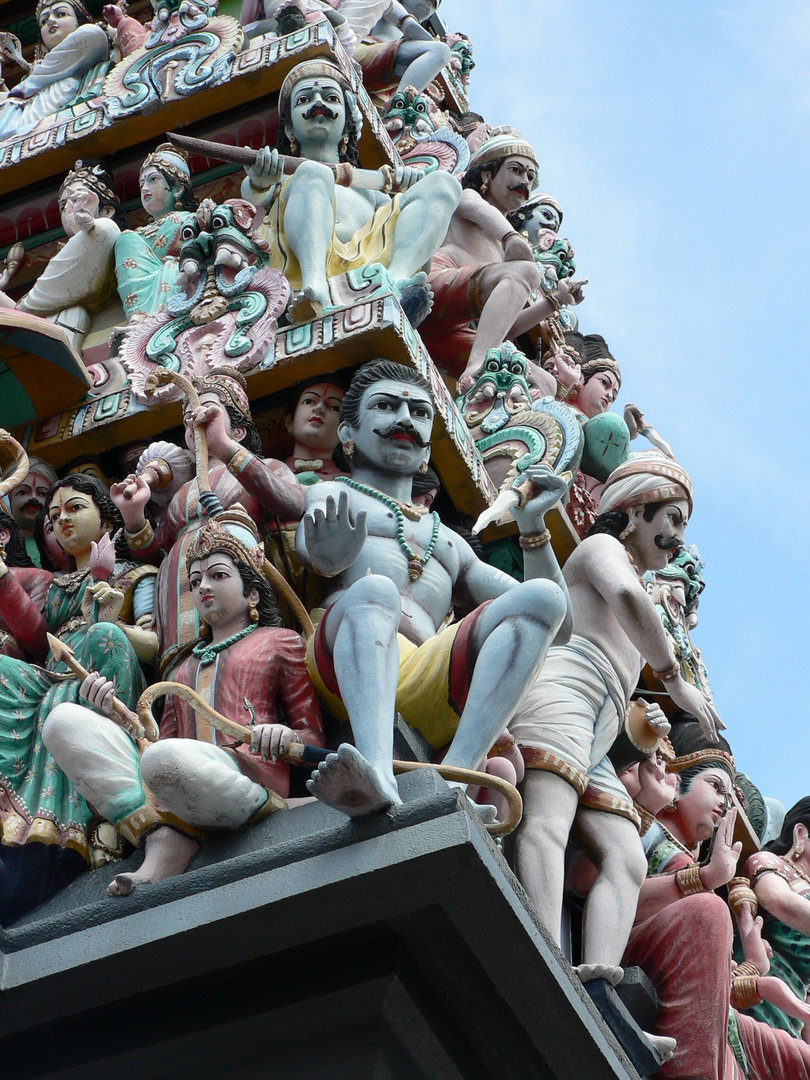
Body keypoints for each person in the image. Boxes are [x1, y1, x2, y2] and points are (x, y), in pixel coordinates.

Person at [296, 359, 572, 821]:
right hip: (345, 658)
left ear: (427, 452)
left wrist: (532, 526)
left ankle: (455, 782)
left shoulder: (450, 542)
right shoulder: (330, 495)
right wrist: (328, 554)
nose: (405, 419)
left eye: (420, 412)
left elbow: (559, 626)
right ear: (349, 435)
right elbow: (314, 553)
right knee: (376, 589)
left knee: (543, 597)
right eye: (386, 406)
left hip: (426, 674)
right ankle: (375, 771)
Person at [510, 451, 721, 984]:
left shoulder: (640, 584)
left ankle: (597, 979)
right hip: (567, 690)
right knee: (549, 822)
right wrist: (675, 680)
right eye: (671, 518)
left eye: (681, 525)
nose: (676, 536)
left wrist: (641, 717)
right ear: (633, 512)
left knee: (626, 855)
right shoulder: (602, 549)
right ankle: (542, 960)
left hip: (601, 725)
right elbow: (624, 597)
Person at [43, 515, 324, 896]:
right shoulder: (179, 669)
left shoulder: (279, 641)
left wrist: (282, 734)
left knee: (165, 762)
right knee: (63, 723)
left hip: (241, 780)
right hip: (175, 787)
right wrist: (113, 712)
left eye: (218, 575)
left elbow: (312, 740)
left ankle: (261, 811)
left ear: (252, 593)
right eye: (195, 582)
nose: (203, 587)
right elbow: (155, 747)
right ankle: (164, 836)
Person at [0, 474, 157, 918]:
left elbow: (155, 644)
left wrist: (113, 621)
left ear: (105, 516)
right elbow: (34, 636)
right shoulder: (53, 586)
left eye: (74, 508)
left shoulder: (136, 573)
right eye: (53, 516)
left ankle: (96, 818)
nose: (62, 520)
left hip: (100, 679)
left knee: (105, 636)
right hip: (51, 676)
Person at [622, 726, 810, 1079]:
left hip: (743, 1011)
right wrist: (705, 879)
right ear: (676, 783)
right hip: (640, 955)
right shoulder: (651, 833)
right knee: (708, 910)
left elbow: (726, 982)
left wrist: (753, 962)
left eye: (729, 793)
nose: (724, 802)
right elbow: (600, 888)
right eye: (715, 786)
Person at [111, 368, 304, 675]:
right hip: (179, 598)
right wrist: (134, 515)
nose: (194, 419)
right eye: (187, 417)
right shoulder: (182, 492)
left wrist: (226, 448)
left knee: (242, 663)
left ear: (238, 430)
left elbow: (292, 504)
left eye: (207, 409)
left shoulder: (264, 466)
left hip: (238, 585)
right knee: (184, 673)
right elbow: (154, 553)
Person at [241, 59, 460, 321]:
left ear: (348, 121)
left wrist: (411, 188)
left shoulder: (371, 185)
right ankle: (314, 288)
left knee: (444, 183)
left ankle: (395, 281)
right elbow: (253, 196)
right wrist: (259, 179)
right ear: (289, 127)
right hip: (304, 270)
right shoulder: (286, 177)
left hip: (371, 266)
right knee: (313, 171)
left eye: (331, 98)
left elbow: (414, 234)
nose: (318, 104)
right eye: (304, 100)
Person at [419, 133, 585, 385]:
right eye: (516, 170)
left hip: (452, 334)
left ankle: (481, 402)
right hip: (431, 295)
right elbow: (475, 207)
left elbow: (504, 328)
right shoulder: (468, 197)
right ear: (487, 174)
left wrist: (556, 301)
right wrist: (511, 238)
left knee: (545, 383)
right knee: (527, 271)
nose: (524, 182)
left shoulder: (503, 253)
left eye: (530, 177)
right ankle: (479, 365)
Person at [0, 160, 124, 353]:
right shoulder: (59, 277)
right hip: (46, 325)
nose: (68, 208)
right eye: (63, 205)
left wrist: (91, 224)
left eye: (76, 199)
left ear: (106, 210)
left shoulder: (110, 233)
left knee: (106, 230)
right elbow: (25, 316)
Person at [742, 798, 810, 1036]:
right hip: (752, 991)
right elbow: (779, 900)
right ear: (802, 834)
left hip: (793, 1017)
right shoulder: (772, 864)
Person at [0, 0, 110, 144]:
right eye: (44, 22)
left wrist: (20, 89)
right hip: (27, 120)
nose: (51, 21)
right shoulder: (31, 76)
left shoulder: (90, 36)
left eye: (61, 14)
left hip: (63, 108)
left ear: (78, 21)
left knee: (92, 34)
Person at [115, 143, 198, 323]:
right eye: (142, 183)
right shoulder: (133, 237)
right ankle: (137, 316)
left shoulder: (190, 219)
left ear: (177, 188)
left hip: (179, 279)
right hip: (141, 299)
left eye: (153, 180)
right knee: (125, 238)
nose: (145, 188)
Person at [284, 376, 348, 483]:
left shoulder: (352, 485)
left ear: (345, 432)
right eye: (308, 401)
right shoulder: (269, 473)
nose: (319, 408)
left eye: (334, 407)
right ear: (289, 422)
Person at [7, 457, 59, 567]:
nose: (33, 498)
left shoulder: (59, 545)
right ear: (7, 498)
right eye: (23, 492)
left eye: (42, 494)